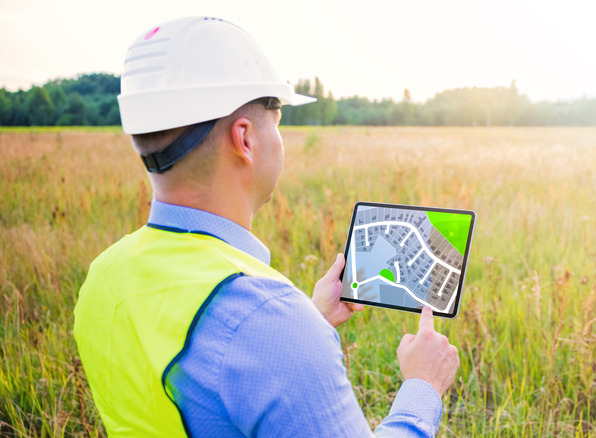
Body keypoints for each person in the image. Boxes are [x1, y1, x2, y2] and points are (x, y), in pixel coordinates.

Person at [73, 16, 460, 437]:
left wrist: (311, 321)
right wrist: (423, 388)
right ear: (245, 139)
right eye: (277, 121)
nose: (280, 139)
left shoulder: (103, 276)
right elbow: (248, 341)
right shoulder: (267, 320)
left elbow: (201, 385)